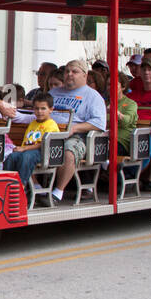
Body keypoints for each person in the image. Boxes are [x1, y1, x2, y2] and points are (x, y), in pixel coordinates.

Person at [48, 59, 107, 202]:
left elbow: (99, 123)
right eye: (67, 71)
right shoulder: (54, 92)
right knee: (22, 149)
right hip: (48, 133)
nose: (69, 74)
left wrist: (75, 128)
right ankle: (35, 187)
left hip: (76, 137)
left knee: (69, 152)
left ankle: (58, 192)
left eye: (74, 72)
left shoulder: (92, 96)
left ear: (85, 75)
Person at [3, 92, 58, 188]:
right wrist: (21, 148)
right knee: (12, 157)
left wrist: (24, 148)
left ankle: (21, 186)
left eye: (43, 108)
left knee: (26, 156)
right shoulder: (33, 123)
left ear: (51, 109)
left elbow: (43, 144)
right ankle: (8, 183)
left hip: (43, 152)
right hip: (29, 150)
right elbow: (27, 140)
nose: (39, 111)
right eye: (36, 108)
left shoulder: (51, 124)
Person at [115, 71, 139, 155]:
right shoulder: (103, 103)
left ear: (123, 87)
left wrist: (116, 113)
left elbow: (127, 121)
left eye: (114, 84)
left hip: (121, 141)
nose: (110, 87)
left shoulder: (131, 104)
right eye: (108, 84)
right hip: (102, 138)